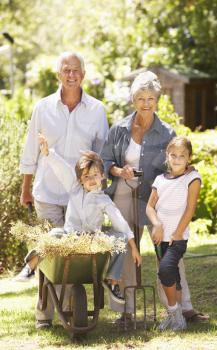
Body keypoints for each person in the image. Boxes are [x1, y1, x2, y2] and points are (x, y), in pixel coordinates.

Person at [101, 70, 208, 325]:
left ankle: (183, 308)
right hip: (125, 192)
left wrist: (189, 169)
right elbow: (105, 160)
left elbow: (177, 161)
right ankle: (126, 311)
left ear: (157, 100)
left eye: (150, 98)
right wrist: (118, 170)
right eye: (140, 98)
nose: (146, 103)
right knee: (126, 250)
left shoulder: (166, 132)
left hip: (157, 198)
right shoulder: (119, 129)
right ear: (133, 100)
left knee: (168, 248)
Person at [17, 51, 109, 328]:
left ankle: (70, 310)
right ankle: (44, 315)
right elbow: (31, 151)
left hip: (80, 197)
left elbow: (102, 154)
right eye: (66, 70)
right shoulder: (43, 108)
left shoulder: (96, 110)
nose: (71, 75)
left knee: (73, 258)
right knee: (50, 257)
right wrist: (26, 188)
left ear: (83, 73)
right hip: (47, 193)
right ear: (59, 74)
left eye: (76, 70)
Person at [34, 136, 141, 305]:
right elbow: (63, 169)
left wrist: (133, 246)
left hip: (92, 239)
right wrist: (48, 153)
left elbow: (119, 221)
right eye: (86, 176)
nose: (91, 180)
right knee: (54, 233)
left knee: (119, 238)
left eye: (95, 175)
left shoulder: (103, 200)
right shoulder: (75, 188)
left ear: (102, 175)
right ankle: (35, 257)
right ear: (80, 180)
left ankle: (112, 282)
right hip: (70, 236)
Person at [146, 136, 201, 331]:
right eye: (173, 155)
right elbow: (150, 207)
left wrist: (177, 233)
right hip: (159, 237)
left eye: (182, 156)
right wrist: (156, 224)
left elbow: (190, 209)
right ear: (167, 156)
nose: (177, 159)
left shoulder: (192, 178)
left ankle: (176, 315)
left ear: (189, 158)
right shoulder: (160, 180)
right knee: (172, 277)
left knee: (166, 270)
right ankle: (175, 316)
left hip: (177, 238)